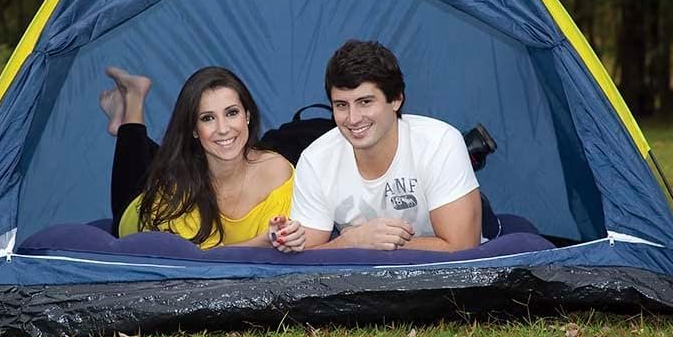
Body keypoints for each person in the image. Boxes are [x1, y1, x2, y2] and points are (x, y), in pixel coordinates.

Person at [290, 39, 495, 252]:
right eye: (341, 105)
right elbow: (306, 260)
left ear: (396, 99)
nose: (353, 119)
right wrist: (351, 242)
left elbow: (461, 247)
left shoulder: (440, 143)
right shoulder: (315, 159)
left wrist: (373, 245)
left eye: (365, 102)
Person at [99, 65, 305, 253]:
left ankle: (121, 113)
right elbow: (200, 261)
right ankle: (134, 98)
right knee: (135, 173)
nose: (223, 129)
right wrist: (262, 242)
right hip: (140, 211)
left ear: (248, 116)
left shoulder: (276, 171)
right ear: (194, 130)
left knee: (171, 156)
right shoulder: (175, 188)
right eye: (208, 118)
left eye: (232, 113)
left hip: (196, 160)